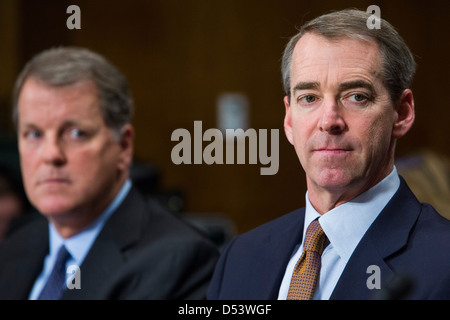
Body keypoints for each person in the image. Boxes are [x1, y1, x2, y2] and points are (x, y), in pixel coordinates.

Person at [207, 9, 450, 300]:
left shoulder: (442, 262)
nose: (329, 120)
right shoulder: (240, 256)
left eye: (356, 96)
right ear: (288, 121)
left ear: (402, 113)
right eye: (309, 98)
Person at [0, 46, 219, 300]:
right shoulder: (13, 248)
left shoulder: (181, 260)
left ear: (124, 146)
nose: (50, 155)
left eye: (75, 133)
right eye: (34, 134)